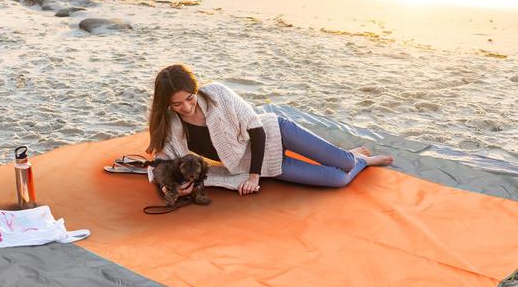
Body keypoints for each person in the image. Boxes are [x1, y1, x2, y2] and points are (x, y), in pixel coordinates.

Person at [146, 64, 394, 197]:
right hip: (265, 163)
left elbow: (256, 128)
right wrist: (169, 187)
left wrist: (253, 177)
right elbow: (160, 163)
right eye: (177, 104)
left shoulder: (218, 93)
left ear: (196, 90)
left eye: (190, 98)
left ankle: (360, 159)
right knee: (339, 179)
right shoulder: (170, 126)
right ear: (166, 104)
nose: (187, 108)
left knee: (346, 164)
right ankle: (360, 159)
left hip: (275, 132)